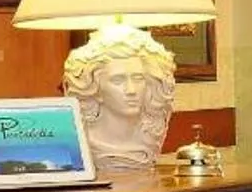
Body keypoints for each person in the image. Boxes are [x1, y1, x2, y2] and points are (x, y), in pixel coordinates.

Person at [62, 37, 177, 171]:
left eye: (138, 78)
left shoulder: (150, 137)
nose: (131, 90)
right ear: (95, 88)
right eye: (117, 80)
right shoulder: (84, 142)